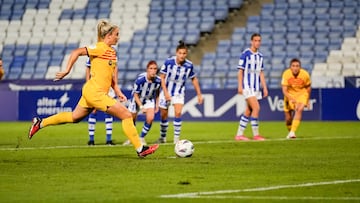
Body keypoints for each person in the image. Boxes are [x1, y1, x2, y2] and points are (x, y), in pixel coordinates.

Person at [28, 19, 159, 158]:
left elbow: (111, 78)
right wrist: (67, 70)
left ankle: (40, 123)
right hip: (95, 92)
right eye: (116, 34)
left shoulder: (112, 53)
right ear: (108, 36)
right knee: (126, 115)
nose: (118, 37)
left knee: (74, 117)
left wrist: (118, 91)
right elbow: (76, 52)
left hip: (93, 91)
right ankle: (140, 148)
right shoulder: (100, 47)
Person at [156, 40, 203, 144]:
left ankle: (176, 140)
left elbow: (194, 79)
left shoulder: (189, 65)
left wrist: (199, 94)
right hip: (166, 92)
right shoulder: (169, 62)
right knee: (164, 115)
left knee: (178, 113)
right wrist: (166, 93)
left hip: (179, 93)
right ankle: (163, 137)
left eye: (184, 53)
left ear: (186, 54)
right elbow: (162, 78)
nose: (182, 55)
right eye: (180, 53)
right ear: (176, 53)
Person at [235, 33, 268, 141]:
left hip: (256, 88)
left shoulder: (260, 56)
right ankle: (256, 135)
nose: (257, 43)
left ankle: (239, 135)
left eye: (259, 41)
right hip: (247, 86)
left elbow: (261, 73)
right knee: (256, 108)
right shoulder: (245, 54)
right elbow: (240, 71)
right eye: (255, 40)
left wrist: (265, 87)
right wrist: (240, 86)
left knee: (248, 111)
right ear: (251, 41)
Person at [123, 60, 161, 146]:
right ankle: (131, 138)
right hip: (137, 99)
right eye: (151, 68)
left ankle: (141, 137)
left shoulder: (158, 80)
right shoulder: (140, 80)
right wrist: (141, 107)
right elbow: (136, 94)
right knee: (132, 120)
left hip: (149, 99)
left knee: (150, 118)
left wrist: (157, 104)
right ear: (147, 69)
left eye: (155, 69)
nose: (153, 70)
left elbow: (158, 92)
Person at [85, 58, 115, 146]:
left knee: (109, 111)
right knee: (93, 110)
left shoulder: (111, 54)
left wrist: (115, 86)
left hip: (108, 86)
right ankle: (91, 140)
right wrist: (88, 83)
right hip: (95, 86)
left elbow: (115, 70)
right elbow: (88, 68)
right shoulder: (94, 53)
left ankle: (108, 140)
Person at [281, 58, 311, 139]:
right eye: (293, 66)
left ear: (300, 67)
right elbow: (284, 90)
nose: (295, 68)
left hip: (301, 94)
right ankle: (291, 131)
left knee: (299, 109)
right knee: (288, 119)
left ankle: (292, 132)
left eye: (297, 66)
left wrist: (307, 100)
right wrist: (291, 98)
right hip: (290, 95)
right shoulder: (286, 74)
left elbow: (308, 88)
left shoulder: (305, 74)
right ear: (290, 67)